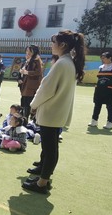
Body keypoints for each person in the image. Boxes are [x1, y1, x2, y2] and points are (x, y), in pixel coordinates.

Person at [23, 30, 86, 194]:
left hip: (52, 112)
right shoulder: (68, 62)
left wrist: (33, 104)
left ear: (62, 45)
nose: (51, 46)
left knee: (50, 149)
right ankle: (43, 176)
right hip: (56, 112)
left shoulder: (62, 63)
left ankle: (42, 183)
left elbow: (46, 89)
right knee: (50, 147)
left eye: (53, 42)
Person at [88, 52, 112, 129]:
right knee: (97, 105)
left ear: (110, 58)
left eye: (104, 58)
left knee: (110, 106)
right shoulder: (101, 67)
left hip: (110, 91)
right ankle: (94, 121)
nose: (102, 60)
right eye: (101, 58)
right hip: (99, 90)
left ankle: (110, 123)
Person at [19, 44, 43, 119]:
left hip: (32, 86)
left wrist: (27, 72)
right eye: (27, 50)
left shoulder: (36, 60)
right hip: (26, 85)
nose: (28, 52)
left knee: (30, 103)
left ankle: (29, 119)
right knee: (24, 102)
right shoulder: (28, 60)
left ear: (34, 51)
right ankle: (24, 118)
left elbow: (39, 72)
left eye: (30, 51)